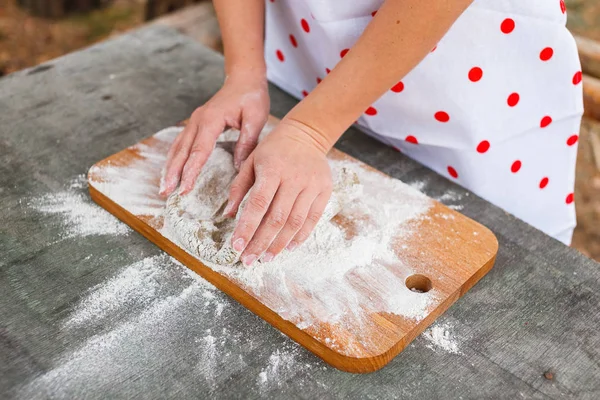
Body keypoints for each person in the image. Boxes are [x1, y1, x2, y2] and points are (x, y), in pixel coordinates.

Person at [160, 0, 583, 266]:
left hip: (474, 91)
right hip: (311, 57)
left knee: (504, 265)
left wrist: (310, 129)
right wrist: (244, 72)